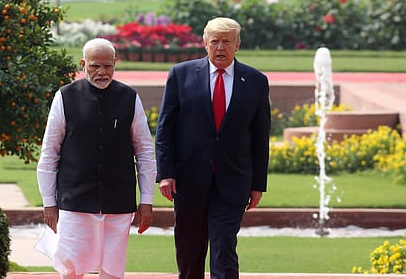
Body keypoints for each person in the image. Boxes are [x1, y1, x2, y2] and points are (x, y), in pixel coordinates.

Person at [155, 17, 271, 279]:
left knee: (224, 249)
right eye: (215, 41)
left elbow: (260, 137)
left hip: (233, 181)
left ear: (237, 45)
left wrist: (257, 184)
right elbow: (165, 129)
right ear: (205, 44)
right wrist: (166, 173)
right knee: (189, 251)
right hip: (188, 179)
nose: (220, 47)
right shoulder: (180, 75)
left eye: (226, 41)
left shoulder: (255, 81)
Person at [36, 37, 156, 279]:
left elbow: (144, 151)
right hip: (75, 200)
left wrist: (146, 200)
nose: (102, 72)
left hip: (118, 201)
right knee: (71, 269)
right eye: (95, 66)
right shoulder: (65, 97)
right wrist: (49, 201)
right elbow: (50, 151)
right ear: (83, 64)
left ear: (115, 64)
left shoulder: (129, 97)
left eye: (107, 66)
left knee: (112, 272)